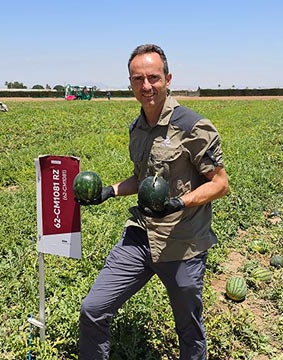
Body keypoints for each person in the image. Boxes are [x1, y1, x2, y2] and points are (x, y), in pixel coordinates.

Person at [77, 44, 229, 360]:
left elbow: (220, 184)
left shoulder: (192, 126)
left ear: (168, 78)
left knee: (188, 328)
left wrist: (178, 203)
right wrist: (109, 191)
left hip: (182, 242)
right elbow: (141, 178)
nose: (146, 86)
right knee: (93, 308)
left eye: (153, 78)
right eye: (138, 79)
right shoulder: (138, 128)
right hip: (141, 236)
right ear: (130, 83)